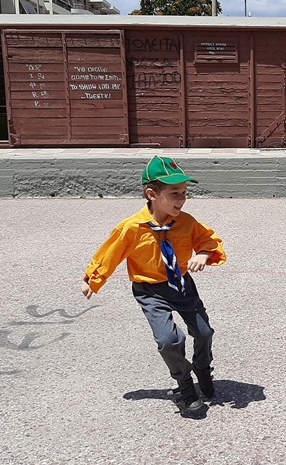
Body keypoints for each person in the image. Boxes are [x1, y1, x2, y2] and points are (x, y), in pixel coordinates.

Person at [81, 156, 226, 412]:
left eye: (184, 193)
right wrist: (94, 280)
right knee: (169, 340)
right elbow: (110, 254)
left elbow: (209, 240)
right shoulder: (131, 228)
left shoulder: (187, 222)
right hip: (149, 291)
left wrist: (203, 254)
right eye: (174, 193)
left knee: (204, 332)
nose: (181, 199)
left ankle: (203, 369)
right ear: (151, 194)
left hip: (181, 285)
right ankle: (184, 384)